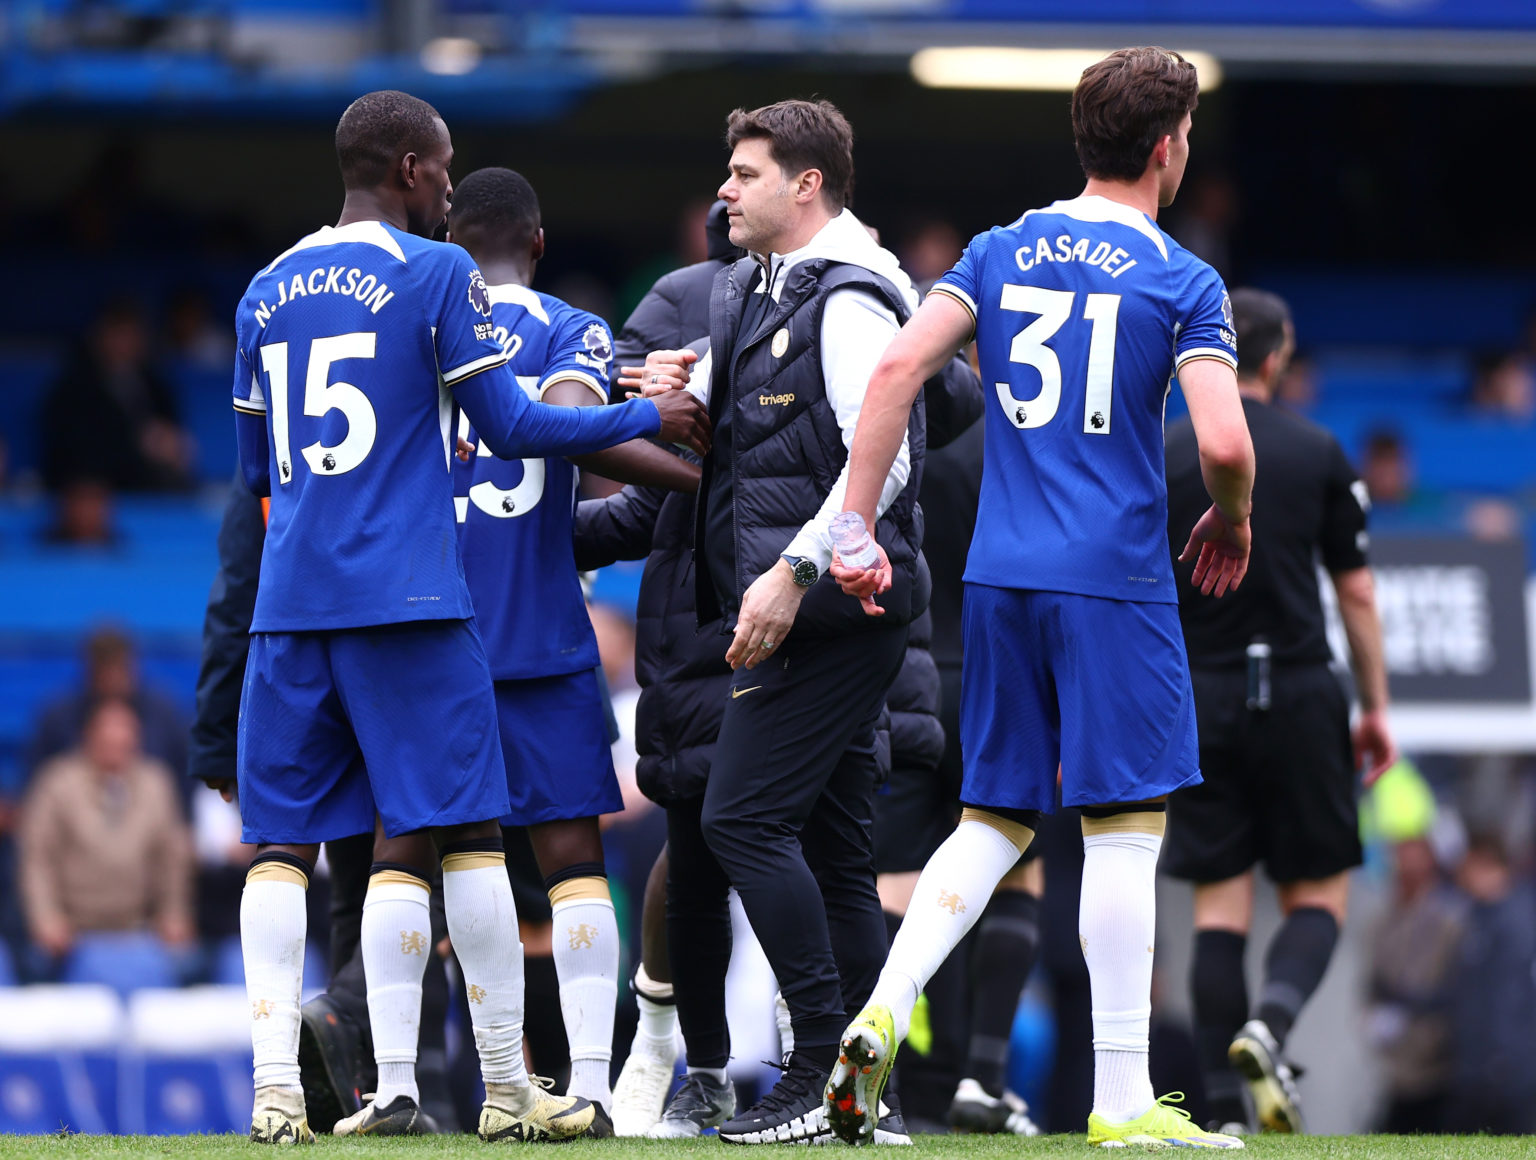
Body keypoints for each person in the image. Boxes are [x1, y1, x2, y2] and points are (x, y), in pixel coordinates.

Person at [229, 88, 709, 1144]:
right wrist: (653, 414)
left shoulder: (263, 289)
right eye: (439, 164)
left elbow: (257, 474)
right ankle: (506, 1083)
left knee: (280, 847)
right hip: (410, 599)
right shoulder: (438, 274)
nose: (447, 187)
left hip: (291, 602)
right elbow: (511, 423)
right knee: (477, 833)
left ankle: (273, 1087)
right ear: (408, 167)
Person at [824, 47, 1255, 1150]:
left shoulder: (999, 247)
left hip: (999, 581)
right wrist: (1233, 515)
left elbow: (893, 373)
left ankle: (885, 1003)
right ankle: (1121, 1096)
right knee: (1122, 828)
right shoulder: (1181, 277)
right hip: (1112, 579)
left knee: (992, 819)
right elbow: (1222, 439)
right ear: (1168, 147)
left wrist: (852, 523)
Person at [629, 98, 930, 1145]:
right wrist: (655, 385)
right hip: (818, 611)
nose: (726, 189)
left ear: (806, 185)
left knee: (739, 820)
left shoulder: (853, 299)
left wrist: (791, 575)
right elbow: (707, 404)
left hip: (826, 614)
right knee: (842, 858)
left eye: (746, 173)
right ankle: (861, 1096)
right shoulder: (766, 288)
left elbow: (883, 464)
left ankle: (812, 1067)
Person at [1161, 287, 1397, 1135]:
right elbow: (1359, 593)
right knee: (1317, 898)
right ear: (1274, 359)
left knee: (1219, 909)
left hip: (1202, 695)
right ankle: (1272, 1026)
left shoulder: (1169, 451)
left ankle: (1224, 1116)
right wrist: (1373, 706)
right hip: (1298, 690)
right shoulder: (1320, 448)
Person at [19, 698, 194, 966]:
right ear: (88, 735)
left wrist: (173, 915)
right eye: (108, 730)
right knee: (38, 964)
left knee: (187, 963)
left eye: (125, 730)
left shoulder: (156, 783)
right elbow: (37, 859)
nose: (117, 738)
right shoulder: (56, 782)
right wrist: (47, 920)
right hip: (72, 929)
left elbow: (172, 859)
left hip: (139, 927)